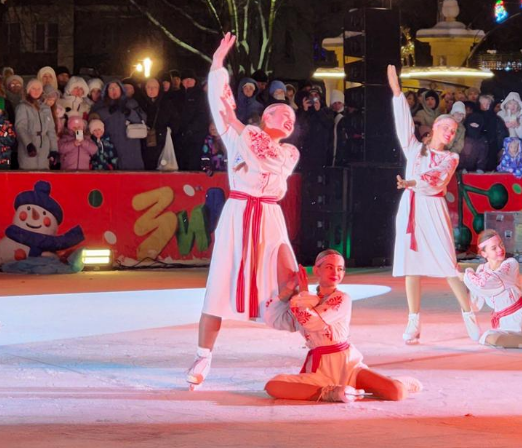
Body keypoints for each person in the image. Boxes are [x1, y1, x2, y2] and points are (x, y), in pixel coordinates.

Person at [186, 33, 301, 388]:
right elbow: (221, 105)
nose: (285, 117)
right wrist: (218, 65)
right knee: (220, 281)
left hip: (268, 218)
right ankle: (203, 356)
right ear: (265, 116)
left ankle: (319, 345)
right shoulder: (240, 135)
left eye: (289, 117)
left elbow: (268, 158)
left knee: (288, 279)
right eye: (279, 112)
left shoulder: (288, 153)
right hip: (238, 214)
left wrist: (241, 128)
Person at [387, 65, 479, 345]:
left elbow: (436, 180)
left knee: (448, 265)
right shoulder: (415, 149)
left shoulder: (450, 159)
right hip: (411, 208)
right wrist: (397, 93)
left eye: (454, 130)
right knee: (410, 265)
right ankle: (413, 322)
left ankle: (469, 314)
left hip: (432, 208)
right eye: (446, 128)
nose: (450, 133)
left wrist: (413, 183)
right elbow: (403, 125)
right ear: (435, 128)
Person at [264, 250, 423, 402]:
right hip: (319, 369)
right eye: (329, 267)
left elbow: (312, 322)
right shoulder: (302, 302)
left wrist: (303, 292)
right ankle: (331, 393)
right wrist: (288, 289)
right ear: (316, 270)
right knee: (273, 386)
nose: (335, 272)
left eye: (340, 269)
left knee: (396, 392)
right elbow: (274, 319)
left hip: (347, 365)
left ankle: (394, 382)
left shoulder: (341, 298)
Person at [91, 79, 145, 170]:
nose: (114, 90)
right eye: (111, 88)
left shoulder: (131, 103)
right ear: (106, 91)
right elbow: (93, 120)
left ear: (121, 89)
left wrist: (129, 112)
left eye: (116, 87)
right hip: (109, 143)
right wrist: (109, 111)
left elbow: (142, 119)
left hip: (130, 145)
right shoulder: (100, 105)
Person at [15, 78, 57, 170]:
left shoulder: (46, 108)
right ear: (28, 90)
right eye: (33, 88)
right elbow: (20, 127)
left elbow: (51, 130)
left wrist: (54, 149)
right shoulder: (23, 107)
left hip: (44, 147)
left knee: (43, 175)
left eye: (39, 88)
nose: (36, 91)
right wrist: (28, 144)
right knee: (28, 176)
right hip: (29, 147)